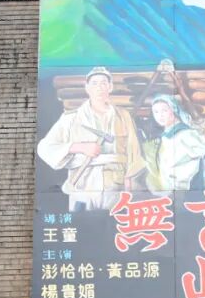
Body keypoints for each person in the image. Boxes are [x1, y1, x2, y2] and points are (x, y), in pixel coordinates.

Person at [36, 66, 145, 211]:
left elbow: (134, 151)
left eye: (103, 83)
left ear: (110, 87)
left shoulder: (123, 116)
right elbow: (45, 147)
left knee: (113, 222)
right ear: (87, 88)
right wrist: (78, 147)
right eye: (94, 83)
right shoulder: (71, 118)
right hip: (82, 184)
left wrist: (129, 183)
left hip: (115, 185)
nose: (99, 88)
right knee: (82, 223)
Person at [143, 94, 205, 192]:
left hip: (187, 190)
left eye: (164, 111)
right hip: (170, 190)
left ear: (174, 110)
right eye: (156, 112)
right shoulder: (165, 136)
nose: (160, 115)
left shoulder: (186, 134)